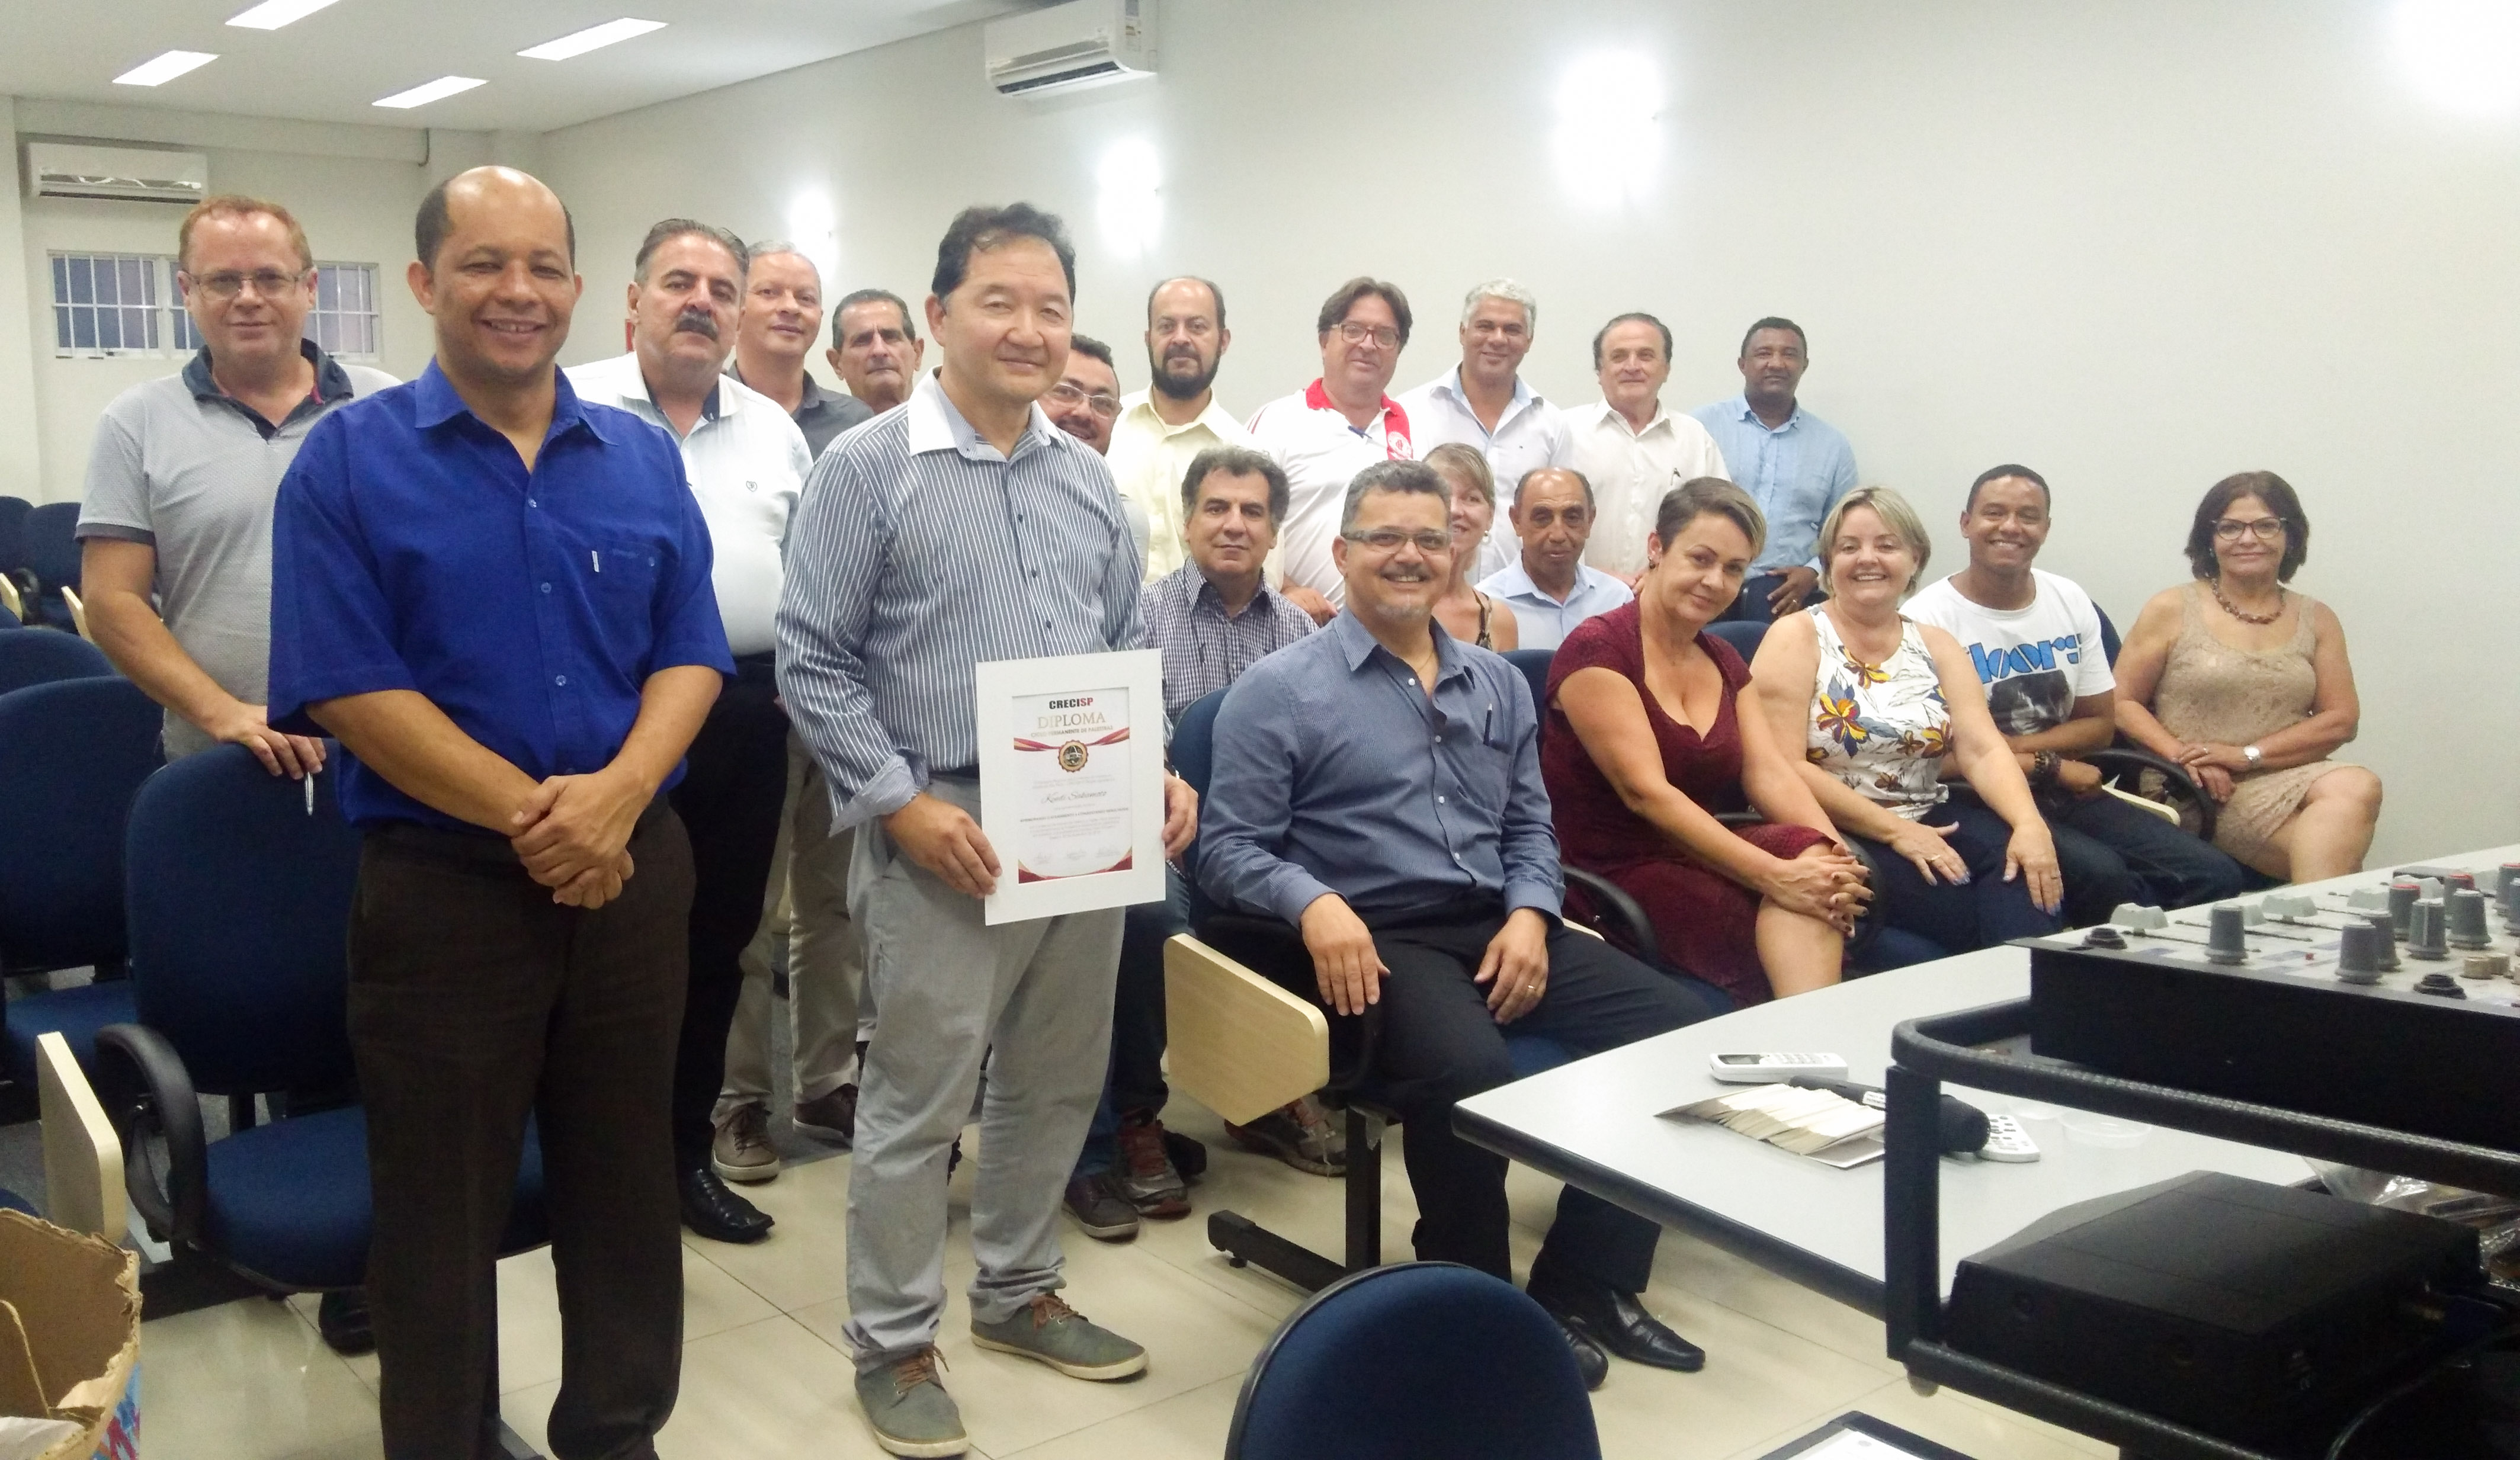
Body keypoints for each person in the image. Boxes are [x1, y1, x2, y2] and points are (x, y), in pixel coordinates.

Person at [266, 164, 728, 1460]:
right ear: (426, 282)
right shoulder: (348, 460)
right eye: (483, 263)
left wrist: (618, 800)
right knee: (439, 1205)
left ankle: (616, 1431)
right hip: (445, 886)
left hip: (633, 870)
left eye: (541, 266)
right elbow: (347, 683)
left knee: (626, 1173)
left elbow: (691, 650)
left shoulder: (639, 456)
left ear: (579, 288)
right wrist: (548, 819)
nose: (515, 291)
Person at [776, 201, 1198, 1459]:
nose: (1028, 329)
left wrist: (1154, 767)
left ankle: (1018, 1289)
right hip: (942, 824)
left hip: (1084, 816)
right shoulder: (868, 468)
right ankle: (894, 1342)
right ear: (940, 315)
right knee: (921, 1100)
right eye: (999, 302)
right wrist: (899, 803)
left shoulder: (1085, 479)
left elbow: (1125, 645)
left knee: (1056, 1075)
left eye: (1051, 308)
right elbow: (811, 659)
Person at [1198, 458, 1719, 1390]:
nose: (1409, 555)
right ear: (1342, 552)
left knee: (1680, 1034)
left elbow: (1529, 827)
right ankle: (1471, 1306)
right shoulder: (1278, 690)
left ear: (1456, 552)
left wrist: (1530, 911)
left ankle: (1585, 1283)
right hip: (1372, 936)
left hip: (1494, 919)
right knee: (1469, 1076)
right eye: (1385, 538)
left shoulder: (1497, 683)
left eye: (1429, 539)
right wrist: (1313, 901)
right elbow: (1226, 850)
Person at [566, 219, 813, 1248]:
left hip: (744, 716)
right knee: (601, 951)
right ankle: (588, 1169)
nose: (700, 302)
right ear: (633, 301)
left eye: (720, 287)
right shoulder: (569, 403)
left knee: (717, 946)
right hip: (605, 715)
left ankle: (681, 1158)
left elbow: (806, 572)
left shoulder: (773, 429)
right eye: (678, 282)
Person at [1063, 444, 1325, 1246]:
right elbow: (1118, 737)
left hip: (1265, 831)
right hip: (1159, 825)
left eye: (1252, 511)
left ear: (1274, 531)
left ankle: (1268, 1086)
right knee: (1147, 915)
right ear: (1186, 523)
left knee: (1336, 888)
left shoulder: (1299, 631)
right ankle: (1138, 1112)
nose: (1234, 524)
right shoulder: (1138, 616)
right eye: (1216, 507)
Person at [77, 194, 396, 769]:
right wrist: (223, 712)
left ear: (310, 287)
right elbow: (111, 601)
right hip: (221, 757)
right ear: (187, 292)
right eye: (223, 280)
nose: (248, 298)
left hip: (386, 757)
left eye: (270, 278)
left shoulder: (389, 407)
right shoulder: (136, 422)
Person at [1545, 479, 1864, 1005]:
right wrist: (1776, 876)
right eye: (1701, 558)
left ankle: (1806, 1032)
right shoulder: (1596, 650)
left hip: (1701, 847)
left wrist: (1839, 859)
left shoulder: (1724, 658)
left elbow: (1769, 773)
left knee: (1814, 856)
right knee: (1785, 900)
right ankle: (1808, 1032)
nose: (1715, 581)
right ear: (1656, 548)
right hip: (1611, 873)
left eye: (1734, 569)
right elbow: (1647, 795)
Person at [1906, 465, 2246, 921]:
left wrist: (2022, 754)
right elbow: (1934, 759)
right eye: (1995, 513)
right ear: (1966, 523)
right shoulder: (1925, 618)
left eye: (2028, 516)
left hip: (2063, 786)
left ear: (2046, 529)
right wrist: (2049, 763)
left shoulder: (2068, 599)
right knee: (2102, 876)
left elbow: (2099, 725)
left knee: (2215, 874)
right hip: (1972, 798)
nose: (2011, 526)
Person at [1749, 486, 2064, 960]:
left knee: (2024, 870)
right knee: (1967, 912)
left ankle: (2036, 1000)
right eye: (1849, 547)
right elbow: (1783, 766)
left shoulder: (1937, 644)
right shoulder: (1795, 637)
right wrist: (1896, 831)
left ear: (1915, 558)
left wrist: (2029, 824)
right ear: (1829, 562)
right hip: (1837, 827)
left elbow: (1983, 749)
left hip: (1929, 810)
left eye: (1887, 545)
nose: (1868, 558)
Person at [2112, 472, 2379, 882]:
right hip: (2199, 784)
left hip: (2288, 773)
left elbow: (2341, 720)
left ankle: (2320, 921)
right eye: (2231, 527)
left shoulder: (2318, 618)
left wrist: (2246, 755)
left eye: (2266, 525)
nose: (2248, 539)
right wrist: (2185, 757)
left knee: (2358, 786)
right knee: (2339, 857)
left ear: (2290, 536)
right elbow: (2121, 702)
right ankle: (2333, 922)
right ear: (2210, 538)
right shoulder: (2171, 608)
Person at [1246, 277, 1416, 622]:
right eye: (1353, 330)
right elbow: (1240, 520)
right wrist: (1286, 589)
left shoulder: (1416, 428)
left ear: (1398, 350)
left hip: (1390, 630)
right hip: (1292, 624)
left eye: (1385, 336)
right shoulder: (1277, 422)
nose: (1368, 345)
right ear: (1325, 341)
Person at [1691, 318, 1857, 624]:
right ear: (1742, 364)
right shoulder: (1700, 427)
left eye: (1789, 354)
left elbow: (1844, 531)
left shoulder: (1832, 446)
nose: (1777, 363)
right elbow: (1674, 510)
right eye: (1764, 353)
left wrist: (1814, 572)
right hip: (1704, 587)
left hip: (1785, 601)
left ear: (1804, 365)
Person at [1395, 280, 1571, 567]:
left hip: (1521, 593)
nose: (1498, 339)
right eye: (1485, 326)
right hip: (1426, 584)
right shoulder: (1410, 412)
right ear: (1462, 332)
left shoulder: (1552, 425)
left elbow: (1564, 517)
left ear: (1529, 340)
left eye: (1512, 330)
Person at [1107, 275, 1252, 582]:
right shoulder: (1106, 427)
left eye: (1197, 327)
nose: (1181, 338)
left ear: (1223, 341)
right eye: (1167, 326)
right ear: (1148, 339)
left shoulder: (1247, 455)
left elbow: (1258, 582)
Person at [1567, 312, 1728, 583]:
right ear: (1600, 372)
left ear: (1666, 369)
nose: (1632, 366)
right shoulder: (1565, 431)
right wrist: (1591, 576)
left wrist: (1659, 573)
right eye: (1619, 357)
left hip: (1666, 593)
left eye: (1645, 356)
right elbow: (1536, 520)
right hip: (1575, 592)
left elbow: (1718, 522)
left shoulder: (1694, 438)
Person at [732, 241, 873, 455]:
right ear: (735, 305)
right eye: (769, 292)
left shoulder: (854, 423)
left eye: (806, 298)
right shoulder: (702, 410)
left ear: (820, 316)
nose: (791, 307)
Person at [1477, 466, 1631, 651]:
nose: (1558, 535)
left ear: (1590, 521)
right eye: (1542, 518)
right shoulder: (1484, 607)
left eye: (1572, 518)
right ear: (1517, 521)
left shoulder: (1617, 600)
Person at [1044, 334, 1142, 559]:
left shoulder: (1124, 519)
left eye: (1103, 403)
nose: (1084, 412)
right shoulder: (986, 493)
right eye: (1066, 392)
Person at [1424, 444, 1518, 649]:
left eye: (1471, 498)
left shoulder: (1499, 621)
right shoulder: (1394, 603)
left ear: (1490, 517)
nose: (1455, 510)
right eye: (1443, 495)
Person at [828, 287, 927, 413]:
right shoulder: (822, 426)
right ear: (836, 363)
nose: (879, 350)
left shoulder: (949, 420)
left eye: (891, 337)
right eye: (862, 341)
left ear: (917, 353)